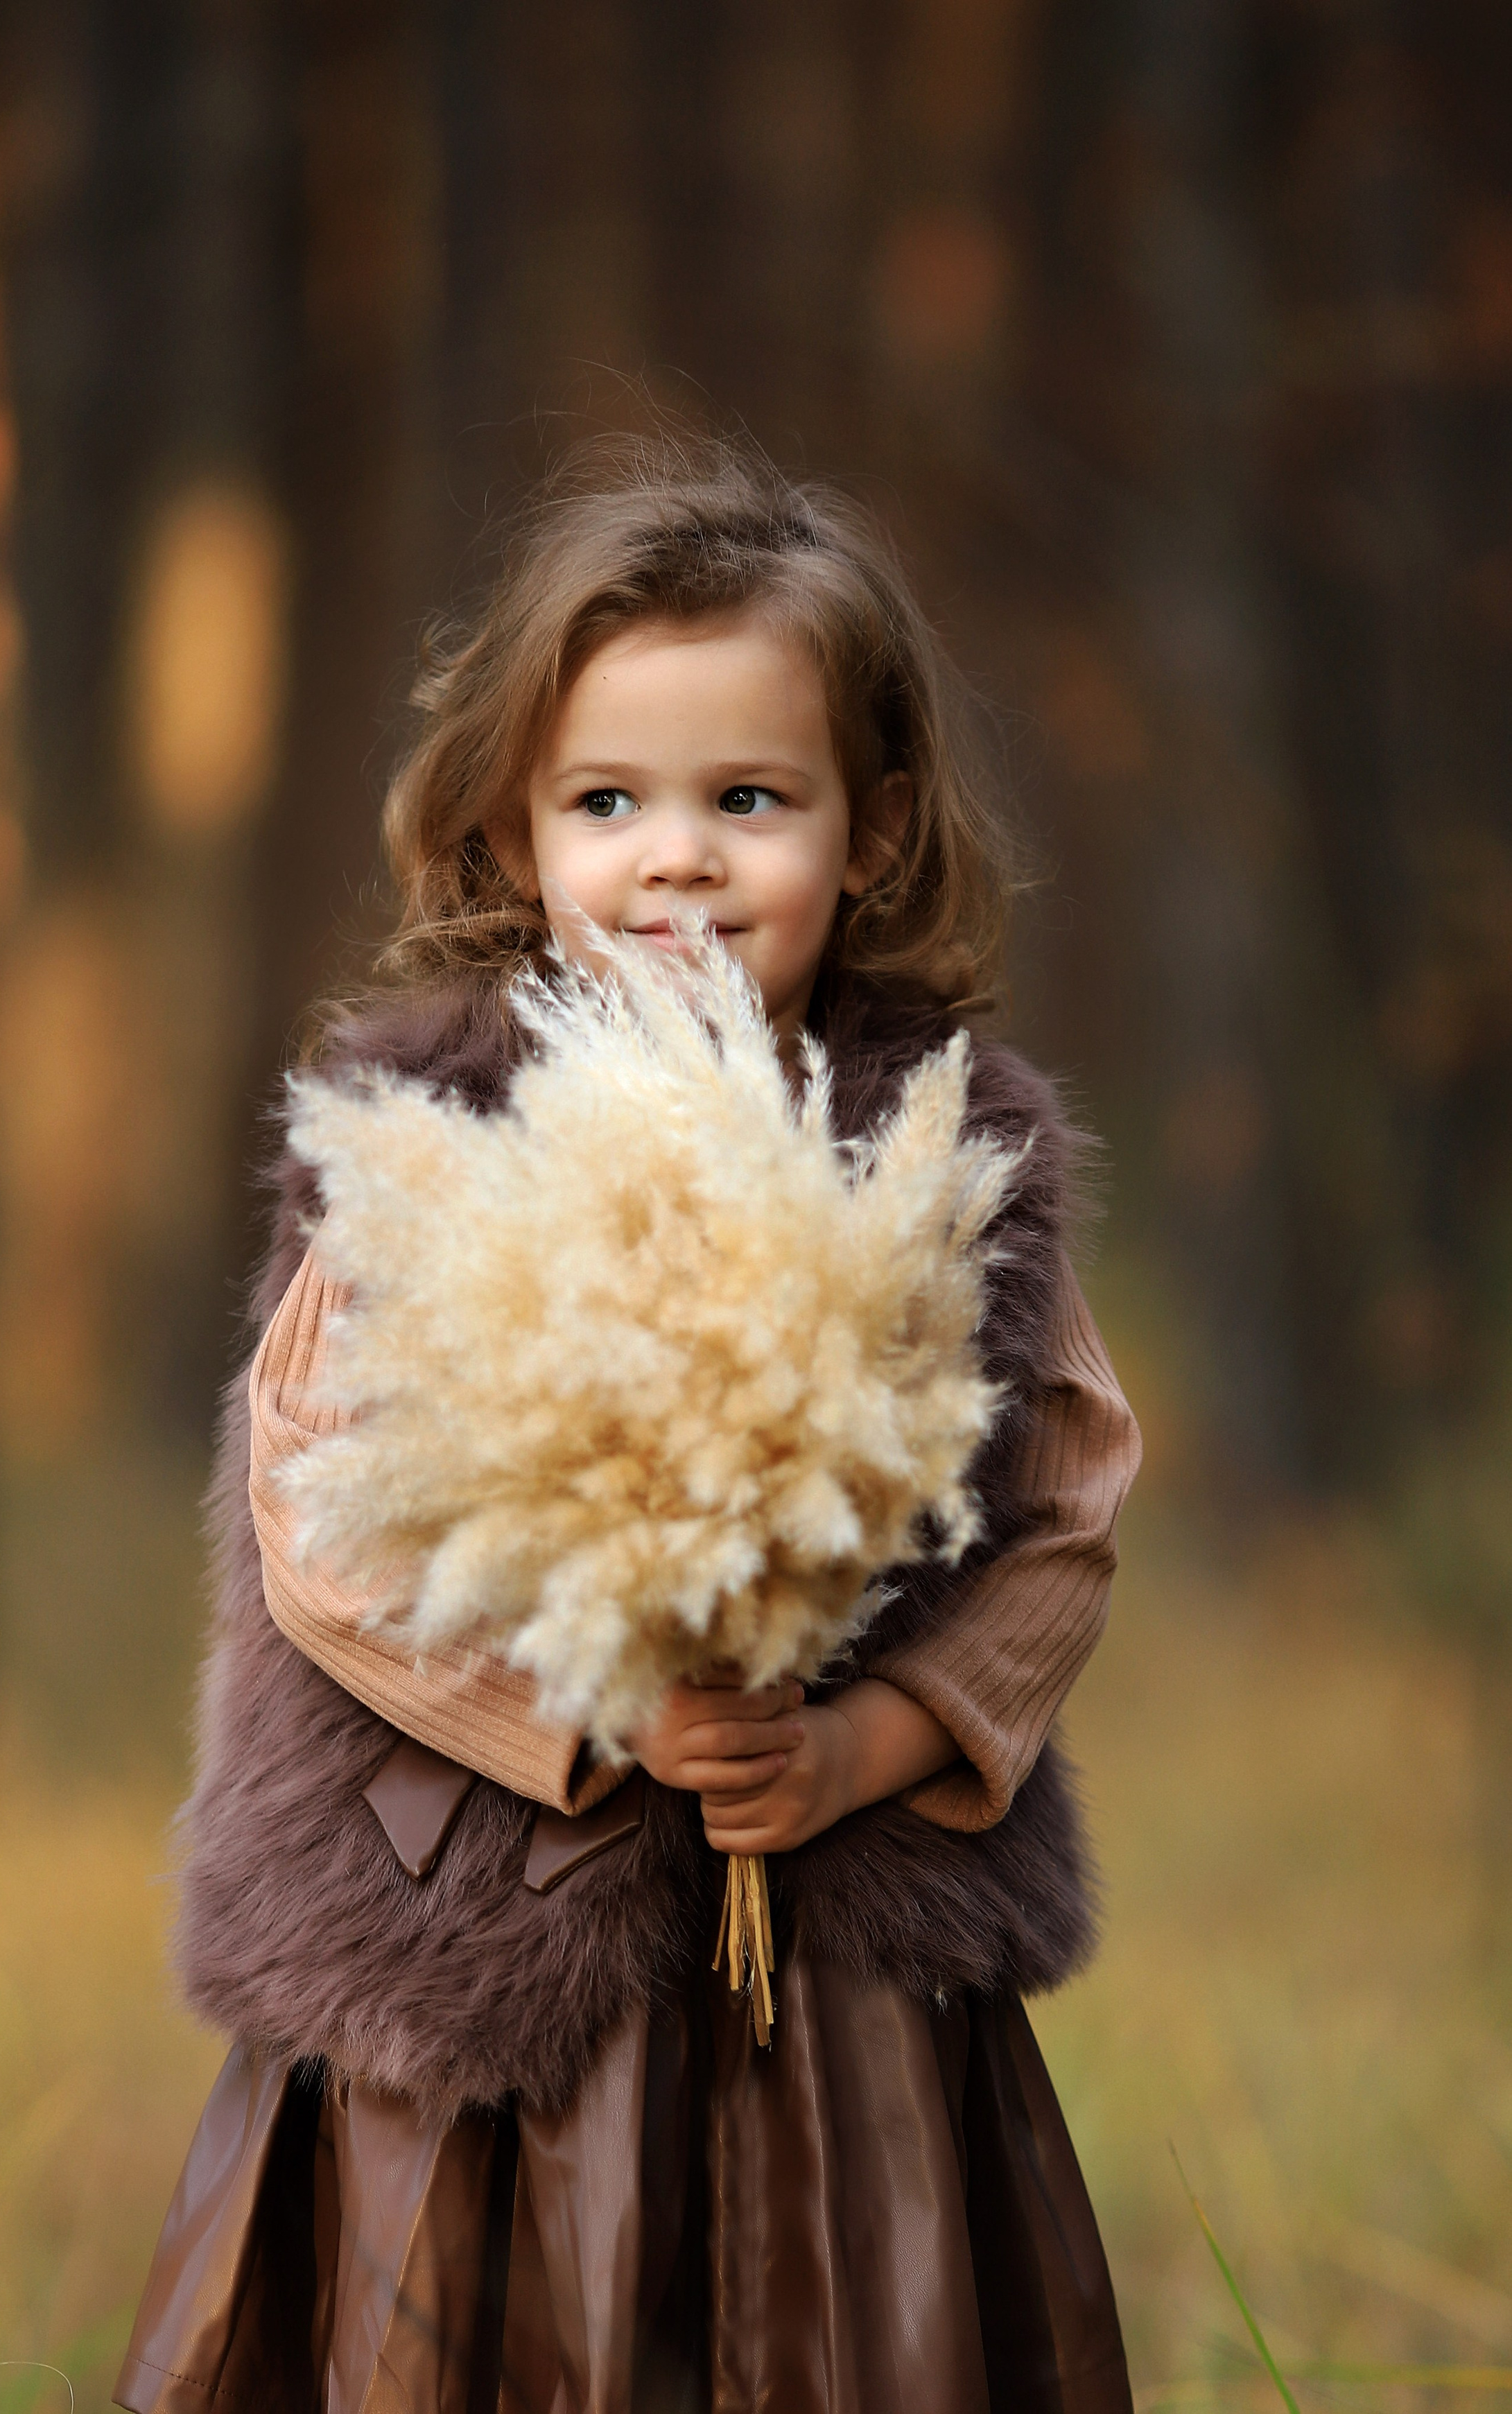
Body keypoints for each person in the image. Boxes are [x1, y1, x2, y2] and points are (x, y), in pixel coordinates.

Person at [114, 432, 1143, 2414]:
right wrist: (585, 1702)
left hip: (832, 1962)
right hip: (477, 1952)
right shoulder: (418, 1141)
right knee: (461, 2331)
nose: (679, 854)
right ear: (516, 833)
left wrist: (876, 1736)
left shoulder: (943, 1151)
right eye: (613, 800)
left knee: (836, 2315)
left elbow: (1067, 1501)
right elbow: (322, 1518)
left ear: (875, 828)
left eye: (749, 799)